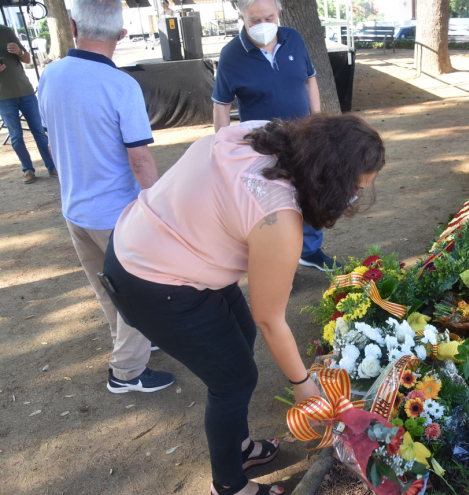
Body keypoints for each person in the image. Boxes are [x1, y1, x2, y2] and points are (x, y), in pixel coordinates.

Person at [103, 114, 385, 495]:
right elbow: (270, 318)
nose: (354, 198)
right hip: (151, 279)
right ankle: (230, 484)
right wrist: (303, 384)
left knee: (241, 336)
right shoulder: (280, 219)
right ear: (331, 179)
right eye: (355, 188)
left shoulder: (259, 133)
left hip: (158, 242)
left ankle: (238, 445)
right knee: (233, 379)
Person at [38, 0, 174, 393]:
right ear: (122, 34)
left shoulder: (51, 74)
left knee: (105, 287)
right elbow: (140, 158)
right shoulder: (121, 86)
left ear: (73, 25)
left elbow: (50, 137)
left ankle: (133, 346)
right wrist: (157, 209)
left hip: (75, 207)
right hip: (116, 213)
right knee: (136, 292)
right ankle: (127, 372)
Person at [211, 0, 339, 272]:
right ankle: (279, 264)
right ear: (242, 16)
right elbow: (221, 105)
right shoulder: (231, 54)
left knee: (311, 190)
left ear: (279, 12)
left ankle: (310, 250)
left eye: (269, 17)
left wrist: (317, 120)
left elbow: (310, 78)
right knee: (272, 205)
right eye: (254, 20)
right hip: (263, 145)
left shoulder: (294, 38)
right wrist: (220, 148)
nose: (262, 25)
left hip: (304, 137)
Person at [0, 24, 56, 184]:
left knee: (39, 132)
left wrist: (19, 51)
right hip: (3, 97)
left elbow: (27, 59)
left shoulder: (5, 31)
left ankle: (52, 166)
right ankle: (28, 169)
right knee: (16, 136)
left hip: (25, 92)